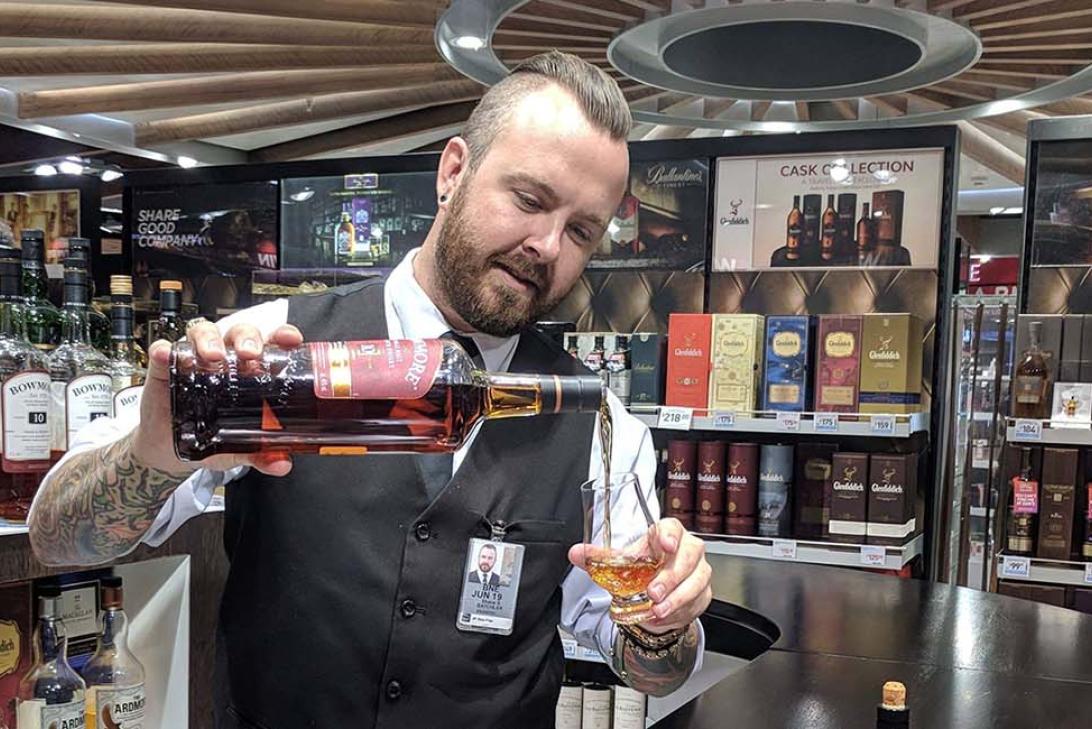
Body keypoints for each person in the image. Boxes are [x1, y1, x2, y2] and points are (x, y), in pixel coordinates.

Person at [28, 51, 713, 729]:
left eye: (582, 231)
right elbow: (58, 537)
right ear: (453, 172)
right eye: (529, 199)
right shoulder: (270, 348)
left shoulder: (600, 422)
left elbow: (649, 664)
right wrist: (153, 455)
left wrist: (663, 625)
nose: (547, 244)